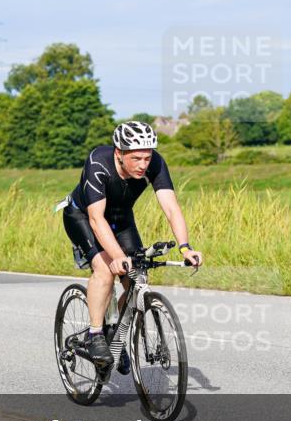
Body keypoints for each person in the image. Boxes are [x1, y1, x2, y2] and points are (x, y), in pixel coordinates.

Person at [61, 121, 203, 373]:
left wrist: (185, 247)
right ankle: (95, 334)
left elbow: (171, 207)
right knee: (105, 269)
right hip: (83, 216)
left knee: (137, 277)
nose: (143, 164)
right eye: (136, 158)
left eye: (147, 158)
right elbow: (96, 218)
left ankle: (116, 331)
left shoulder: (155, 163)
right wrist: (116, 256)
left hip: (122, 218)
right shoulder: (98, 162)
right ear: (119, 153)